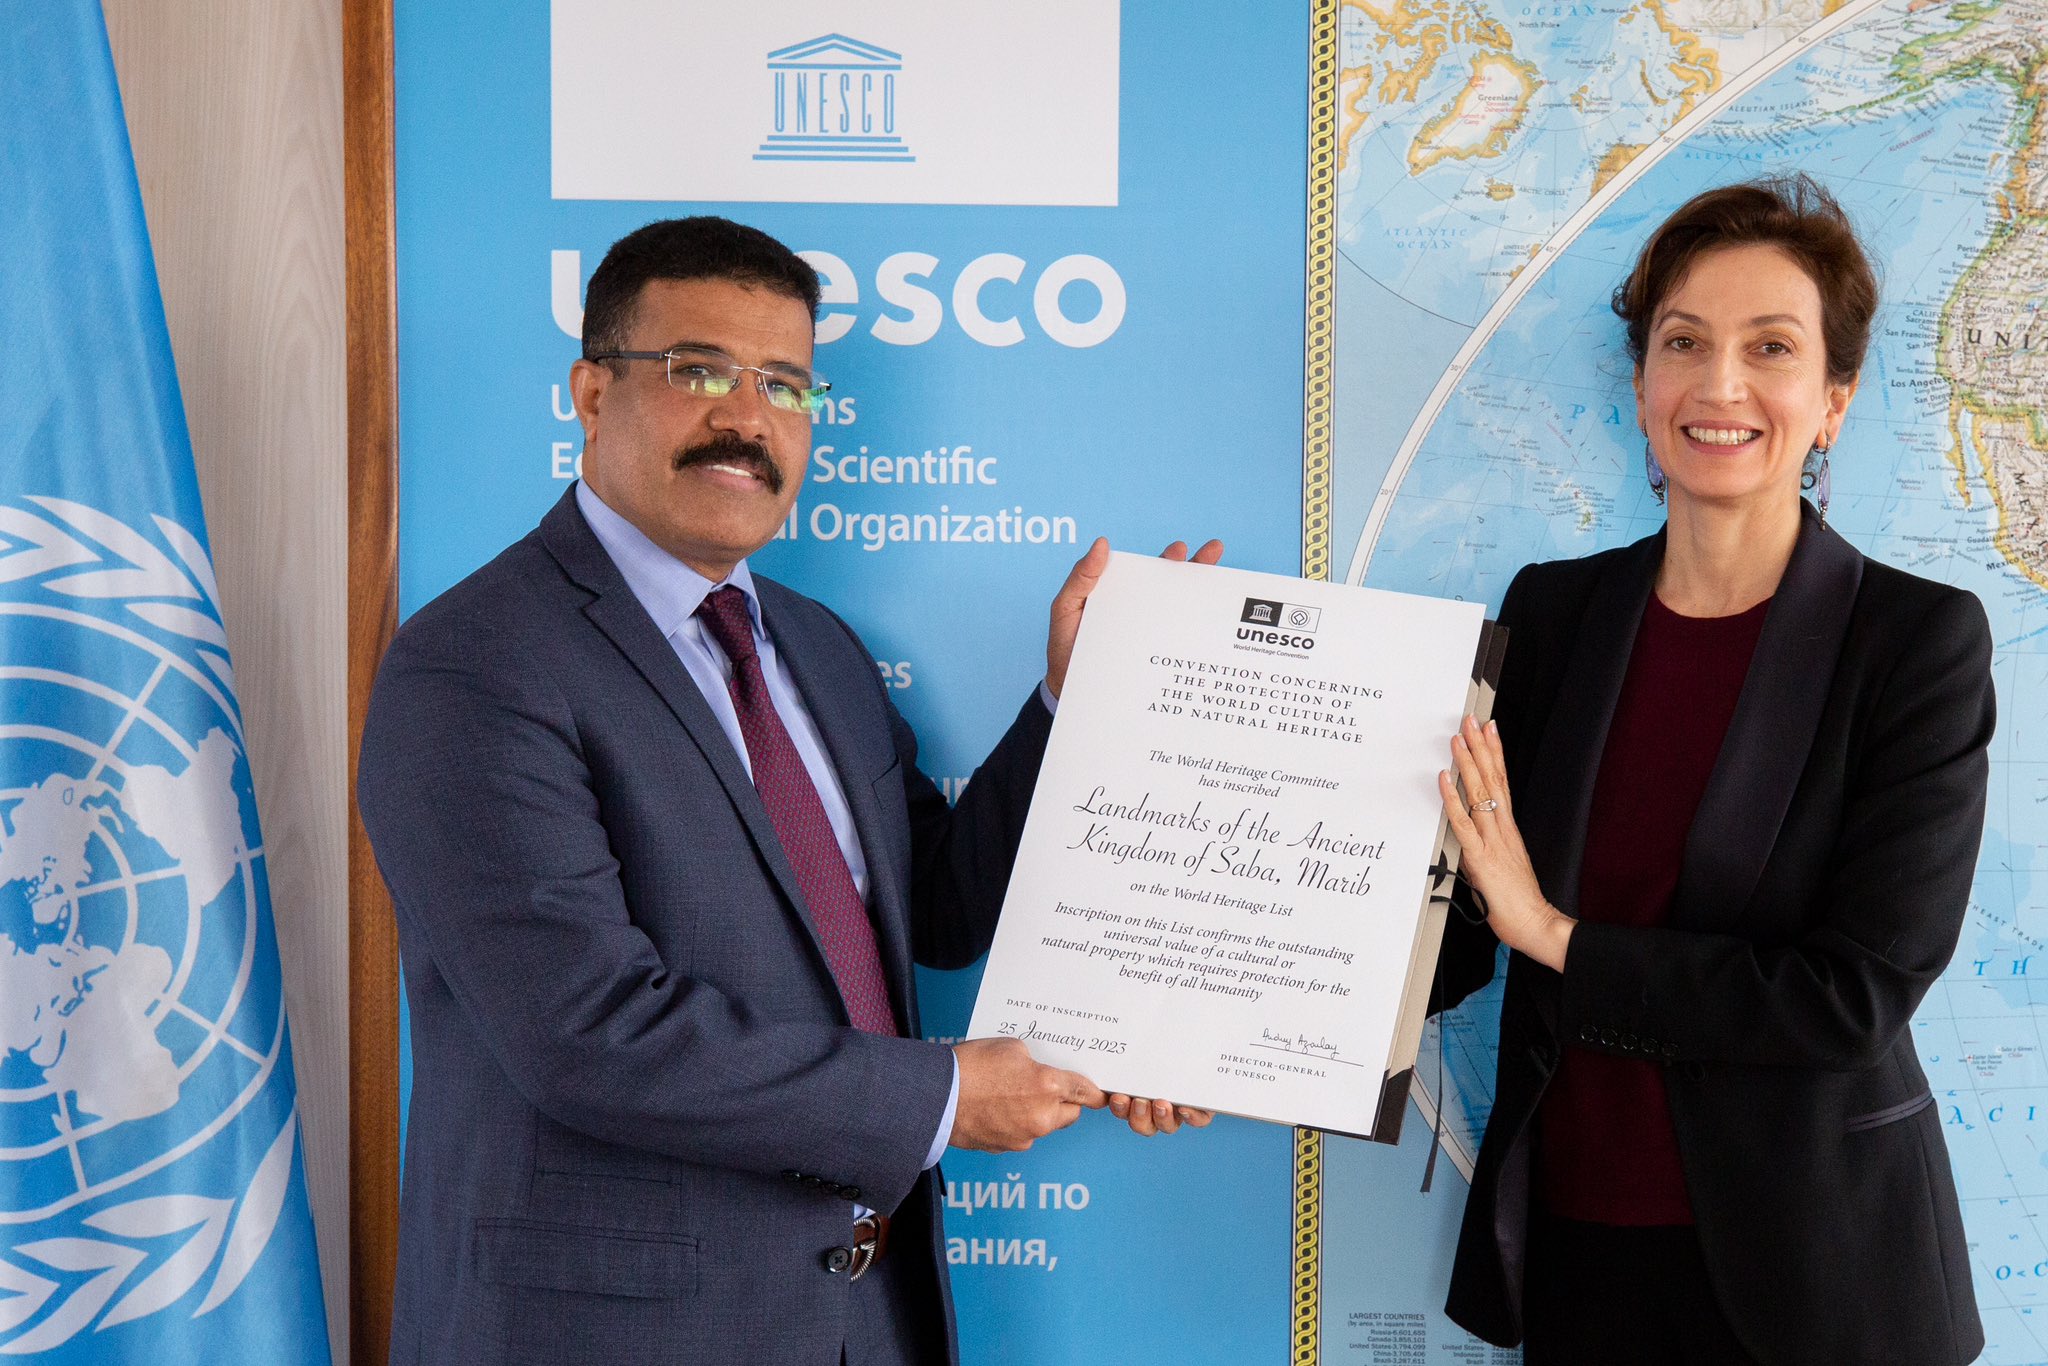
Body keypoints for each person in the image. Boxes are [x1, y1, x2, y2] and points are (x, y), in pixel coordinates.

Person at [357, 216, 1213, 1366]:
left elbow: (940, 910)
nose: (747, 418)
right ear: (591, 393)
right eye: (699, 370)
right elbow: (586, 1031)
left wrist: (1077, 700)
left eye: (784, 385)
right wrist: (941, 1100)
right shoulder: (476, 661)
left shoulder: (818, 649)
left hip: (867, 1319)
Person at [1429, 176, 1993, 1365]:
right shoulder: (1552, 613)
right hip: (1578, 1257)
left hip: (1817, 1280)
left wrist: (1557, 936)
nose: (1718, 384)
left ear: (1832, 399)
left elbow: (1847, 996)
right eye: (1682, 342)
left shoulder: (1913, 643)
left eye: (1769, 347)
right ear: (1641, 385)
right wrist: (1210, 1032)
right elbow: (1462, 925)